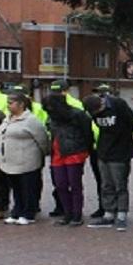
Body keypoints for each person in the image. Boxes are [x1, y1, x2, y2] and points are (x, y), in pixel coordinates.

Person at [83, 92, 133, 231]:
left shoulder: (118, 104)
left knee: (120, 184)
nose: (98, 114)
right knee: (106, 184)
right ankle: (109, 213)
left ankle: (121, 214)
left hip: (120, 151)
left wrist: (121, 136)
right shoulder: (94, 112)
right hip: (103, 150)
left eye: (99, 110)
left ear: (102, 104)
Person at [0, 92, 50, 226]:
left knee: (28, 188)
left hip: (27, 161)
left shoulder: (31, 120)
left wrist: (43, 155)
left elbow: (42, 139)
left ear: (21, 104)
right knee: (16, 188)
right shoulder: (7, 119)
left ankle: (28, 213)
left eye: (11, 103)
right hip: (9, 162)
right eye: (8, 103)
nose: (8, 106)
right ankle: (17, 211)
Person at [44, 93, 95, 226]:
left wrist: (85, 149)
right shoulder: (52, 117)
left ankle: (76, 214)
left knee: (75, 184)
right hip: (57, 153)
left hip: (75, 152)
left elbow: (87, 133)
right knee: (60, 185)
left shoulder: (78, 115)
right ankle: (67, 213)